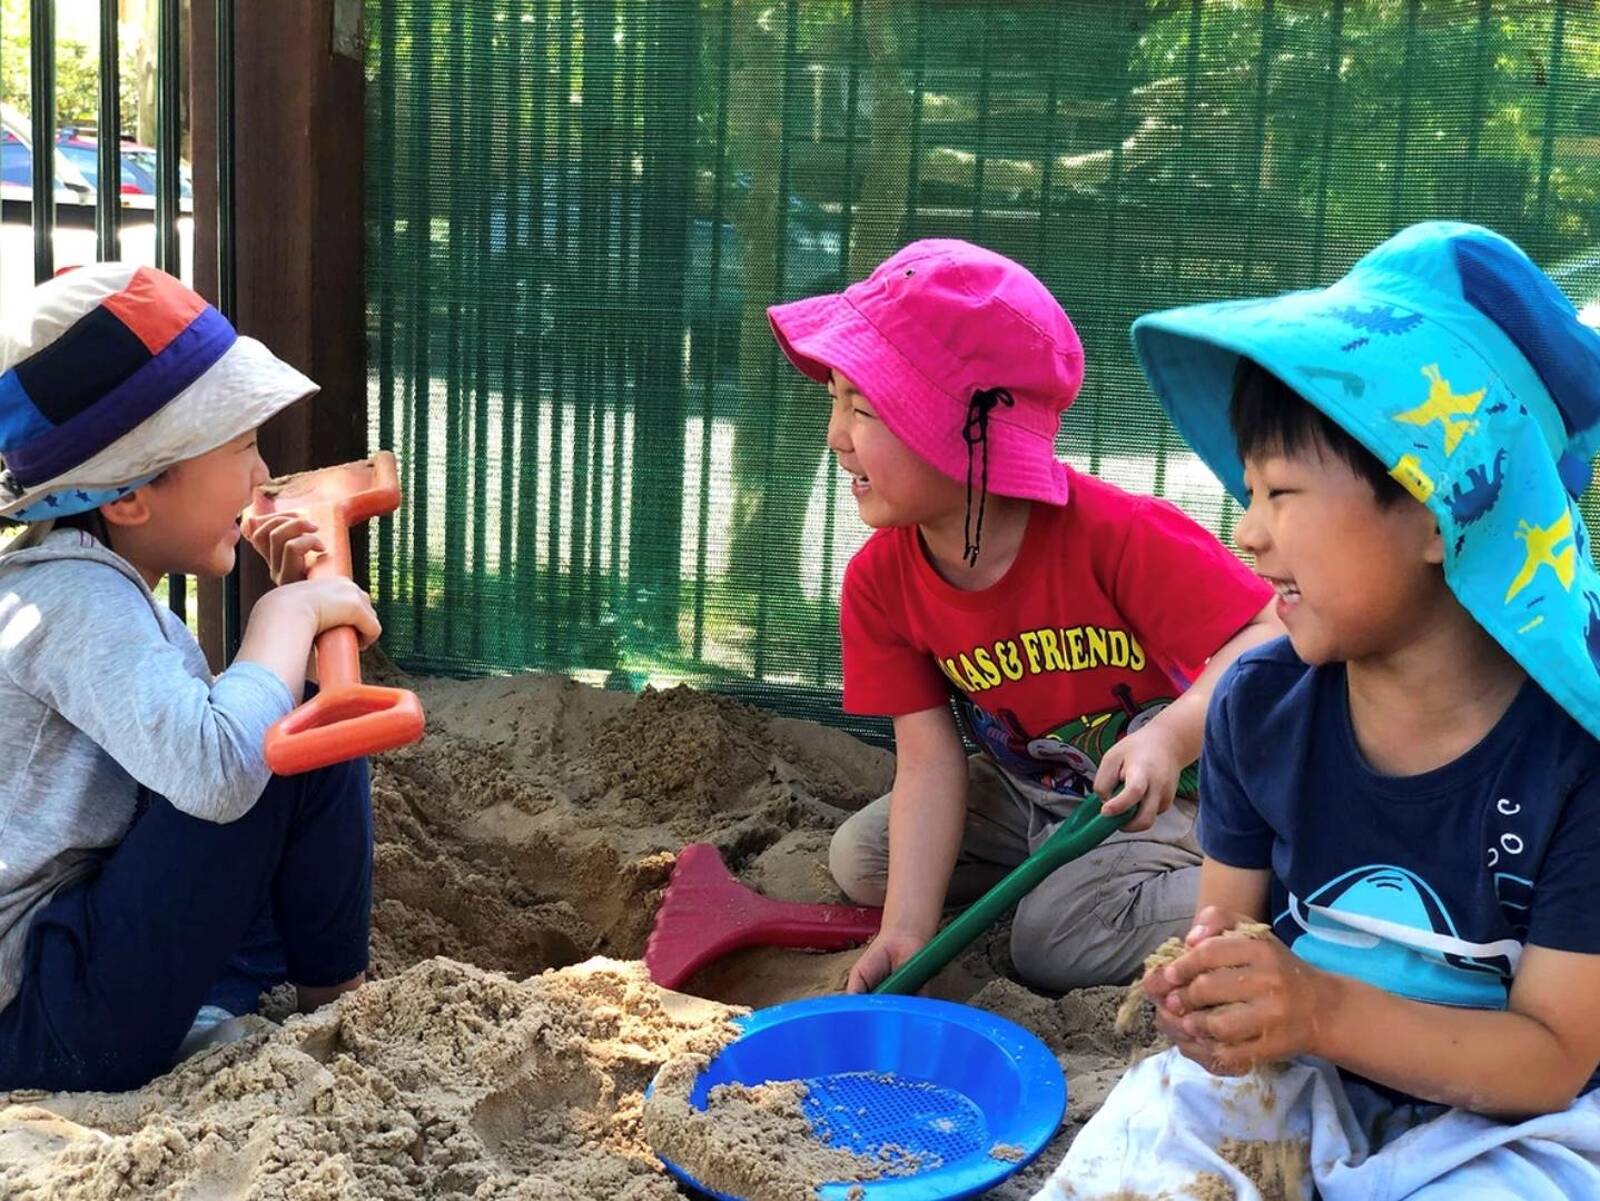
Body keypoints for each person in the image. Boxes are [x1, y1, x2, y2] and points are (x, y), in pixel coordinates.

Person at [1037, 221, 1600, 1200]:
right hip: (1298, 1080)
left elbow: (1550, 1058)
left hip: (1510, 1118)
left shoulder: (1572, 758)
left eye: (1282, 491)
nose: (1246, 533)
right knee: (1150, 1132)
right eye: (1248, 491)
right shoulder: (1259, 706)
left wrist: (1318, 1010)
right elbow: (1222, 937)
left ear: (1436, 510)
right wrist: (1204, 1002)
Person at [766, 239, 1280, 993]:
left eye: (863, 406)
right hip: (1025, 789)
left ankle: (1284, 889)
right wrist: (908, 931)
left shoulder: (1117, 534)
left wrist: (1171, 736)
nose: (834, 435)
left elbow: (1267, 631)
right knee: (863, 861)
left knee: (1051, 939)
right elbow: (929, 760)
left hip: (1169, 796)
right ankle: (1065, 872)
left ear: (960, 432)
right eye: (834, 399)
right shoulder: (880, 582)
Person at [0, 263, 381, 1092]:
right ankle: (343, 1012)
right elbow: (216, 771)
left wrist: (285, 624)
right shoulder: (75, 602)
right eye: (241, 444)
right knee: (292, 745)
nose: (260, 474)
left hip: (73, 958)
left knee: (281, 729)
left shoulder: (85, 588)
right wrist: (281, 624)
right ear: (132, 496)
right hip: (41, 1014)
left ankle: (268, 1000)